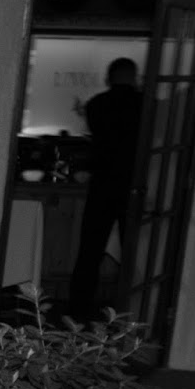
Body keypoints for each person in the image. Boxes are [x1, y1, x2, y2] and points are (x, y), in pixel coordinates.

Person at [69, 56, 144, 323]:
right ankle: (130, 309)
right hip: (134, 183)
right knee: (134, 248)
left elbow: (97, 140)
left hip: (103, 181)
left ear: (109, 77)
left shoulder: (97, 105)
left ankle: (78, 308)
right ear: (134, 76)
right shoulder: (144, 105)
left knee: (90, 248)